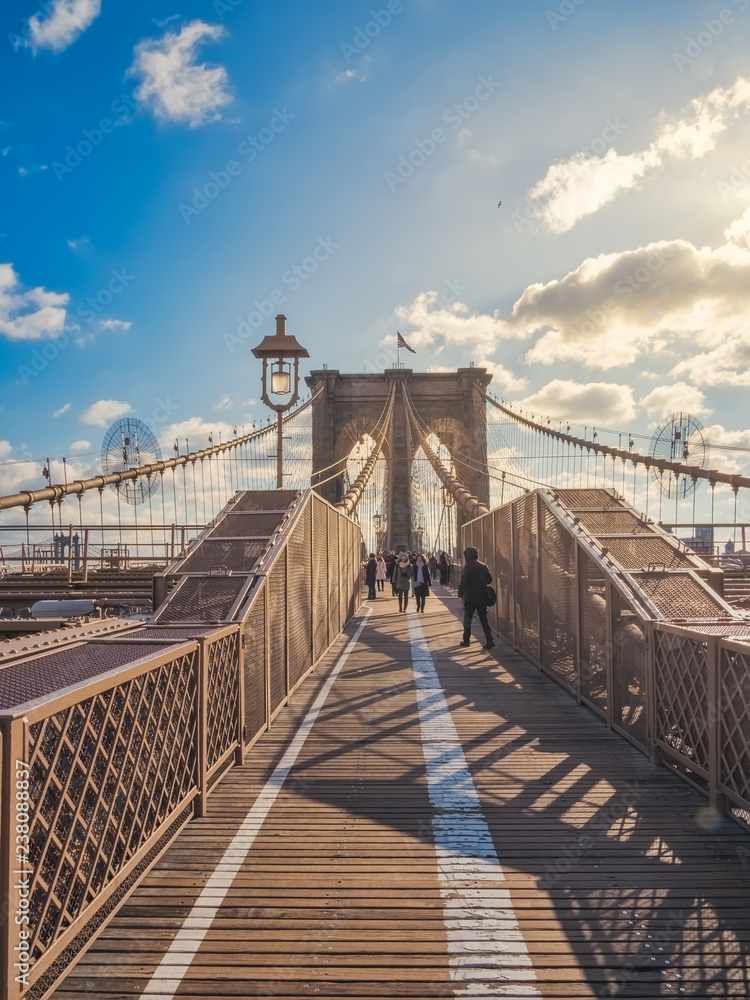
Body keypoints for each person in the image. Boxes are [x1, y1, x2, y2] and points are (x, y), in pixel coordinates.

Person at [458, 546, 494, 649]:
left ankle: (466, 640)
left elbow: (464, 582)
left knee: (468, 619)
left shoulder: (468, 567)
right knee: (484, 619)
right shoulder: (483, 566)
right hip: (482, 597)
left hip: (470, 598)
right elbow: (489, 580)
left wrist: (460, 595)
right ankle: (490, 640)